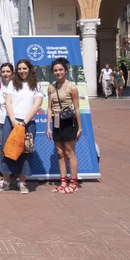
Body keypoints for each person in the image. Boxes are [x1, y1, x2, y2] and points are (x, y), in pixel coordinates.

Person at [0, 59, 43, 194]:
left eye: (25, 68)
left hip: (28, 124)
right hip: (11, 122)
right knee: (7, 149)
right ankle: (6, 181)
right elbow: (8, 102)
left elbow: (36, 104)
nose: (22, 71)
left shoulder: (37, 85)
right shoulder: (12, 83)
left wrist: (24, 122)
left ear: (30, 69)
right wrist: (14, 121)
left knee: (26, 152)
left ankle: (22, 181)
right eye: (20, 69)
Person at [46, 58, 83, 194]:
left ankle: (73, 183)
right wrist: (48, 127)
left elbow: (77, 109)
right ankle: (63, 182)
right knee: (60, 153)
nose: (58, 72)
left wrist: (80, 127)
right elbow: (49, 108)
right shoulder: (51, 87)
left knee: (69, 153)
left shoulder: (71, 87)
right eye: (55, 70)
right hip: (56, 122)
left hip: (68, 122)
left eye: (61, 70)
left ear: (65, 71)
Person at [0, 63, 14, 180]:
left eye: (8, 71)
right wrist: (0, 114)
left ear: (12, 73)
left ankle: (14, 171)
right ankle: (4, 173)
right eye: (3, 71)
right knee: (3, 147)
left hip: (14, 121)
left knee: (14, 147)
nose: (6, 74)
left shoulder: (17, 87)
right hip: (1, 122)